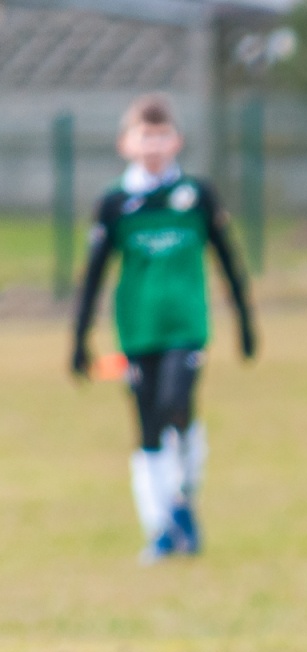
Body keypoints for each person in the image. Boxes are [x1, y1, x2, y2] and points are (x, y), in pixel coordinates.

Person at [70, 92, 256, 562]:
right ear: (126, 144)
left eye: (161, 136)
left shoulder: (196, 196)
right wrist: (78, 339)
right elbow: (93, 276)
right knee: (148, 424)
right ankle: (161, 528)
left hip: (186, 326)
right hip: (137, 331)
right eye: (144, 136)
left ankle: (181, 501)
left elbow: (228, 260)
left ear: (177, 141)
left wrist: (245, 321)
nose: (153, 146)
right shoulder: (115, 203)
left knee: (176, 404)